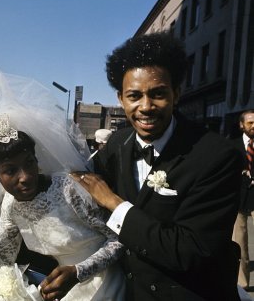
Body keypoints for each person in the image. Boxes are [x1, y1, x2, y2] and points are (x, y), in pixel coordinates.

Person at [0, 70, 125, 301]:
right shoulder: (11, 207)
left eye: (29, 163)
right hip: (65, 288)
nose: (25, 176)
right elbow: (0, 269)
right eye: (10, 171)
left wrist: (78, 272)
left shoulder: (68, 187)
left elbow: (118, 239)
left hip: (105, 283)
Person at [71, 32, 244, 300]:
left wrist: (114, 203)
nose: (146, 107)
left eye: (158, 94)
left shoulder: (218, 156)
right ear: (120, 99)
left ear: (176, 93)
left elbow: (190, 251)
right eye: (134, 96)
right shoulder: (117, 143)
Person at [232, 109, 254, 290]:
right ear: (242, 125)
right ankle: (243, 282)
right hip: (238, 198)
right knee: (240, 242)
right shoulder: (232, 146)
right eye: (250, 123)